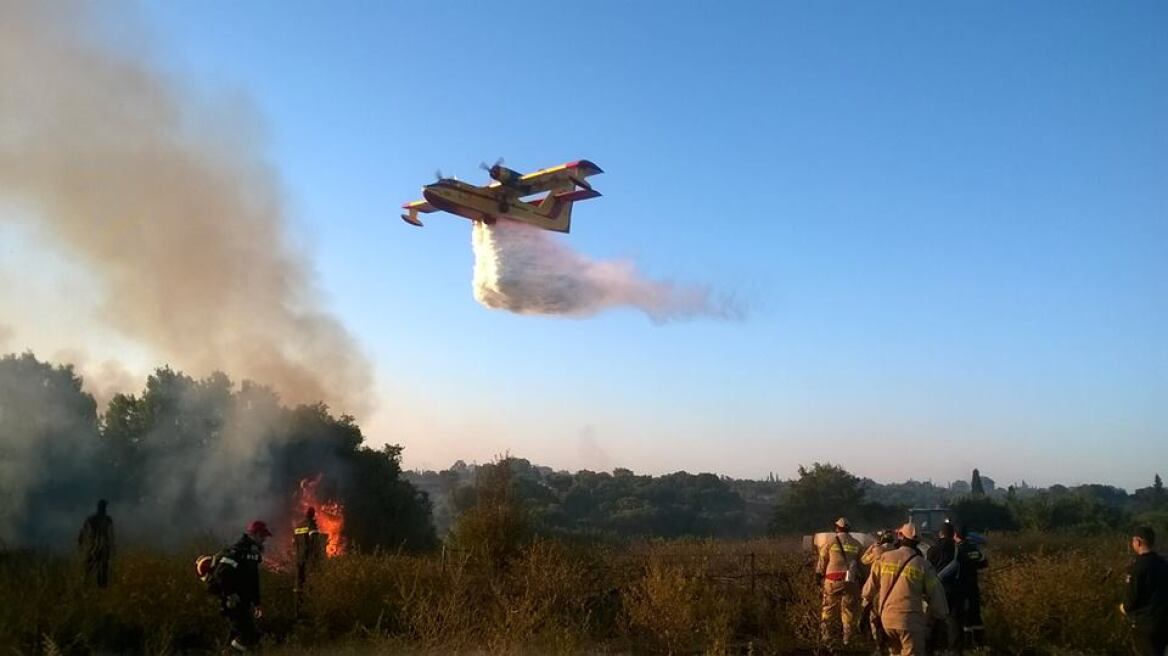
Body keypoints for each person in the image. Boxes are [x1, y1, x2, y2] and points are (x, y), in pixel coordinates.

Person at [862, 522, 949, 656]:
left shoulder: (884, 558)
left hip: (887, 621)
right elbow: (936, 593)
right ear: (918, 541)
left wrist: (865, 607)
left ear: (900, 536)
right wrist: (940, 616)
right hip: (910, 622)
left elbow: (868, 590)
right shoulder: (923, 565)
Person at [210, 520, 272, 653]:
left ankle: (228, 651)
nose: (264, 540)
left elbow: (253, 581)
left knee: (239, 635)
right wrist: (230, 594)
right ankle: (228, 653)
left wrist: (257, 603)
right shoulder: (237, 552)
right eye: (262, 536)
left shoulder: (252, 555)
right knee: (249, 635)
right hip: (233, 603)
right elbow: (222, 574)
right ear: (254, 534)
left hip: (244, 602)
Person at [816, 517, 863, 647]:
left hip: (832, 581)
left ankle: (826, 640)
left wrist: (818, 576)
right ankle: (847, 641)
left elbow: (822, 561)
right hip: (850, 582)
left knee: (828, 610)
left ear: (837, 528)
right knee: (849, 612)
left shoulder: (830, 542)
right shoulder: (856, 544)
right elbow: (862, 565)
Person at [1122, 526, 1168, 656]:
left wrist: (1123, 607)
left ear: (1138, 542)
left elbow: (1131, 599)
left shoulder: (1137, 567)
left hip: (1145, 624)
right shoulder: (1164, 563)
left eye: (1133, 541)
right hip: (1163, 622)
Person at [948, 525, 989, 649]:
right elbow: (984, 563)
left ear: (956, 535)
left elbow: (953, 567)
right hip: (973, 585)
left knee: (963, 614)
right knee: (975, 612)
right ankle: (979, 642)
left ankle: (967, 642)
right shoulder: (975, 549)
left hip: (961, 586)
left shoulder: (958, 550)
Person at [861, 529, 898, 652]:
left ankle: (878, 644)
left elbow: (864, 559)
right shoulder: (897, 552)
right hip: (894, 590)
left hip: (878, 590)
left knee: (873, 617)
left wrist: (871, 547)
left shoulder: (878, 551)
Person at [927, 522, 958, 648]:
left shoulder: (933, 549)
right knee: (953, 618)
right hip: (955, 588)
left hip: (936, 587)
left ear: (940, 533)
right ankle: (954, 647)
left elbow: (927, 568)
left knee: (934, 617)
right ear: (953, 534)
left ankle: (934, 645)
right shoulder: (958, 549)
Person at [78, 499, 114, 588]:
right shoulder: (105, 519)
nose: (104, 509)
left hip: (96, 547)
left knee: (96, 569)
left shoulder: (96, 519)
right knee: (93, 569)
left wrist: (81, 543)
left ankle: (94, 587)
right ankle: (92, 587)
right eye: (104, 507)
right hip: (98, 547)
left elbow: (82, 532)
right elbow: (83, 532)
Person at [293, 507, 322, 610]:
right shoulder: (311, 524)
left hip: (298, 558)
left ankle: (298, 609)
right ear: (313, 515)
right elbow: (315, 542)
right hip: (308, 558)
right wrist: (316, 557)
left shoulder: (298, 525)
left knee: (298, 584)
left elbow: (294, 543)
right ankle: (310, 608)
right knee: (310, 582)